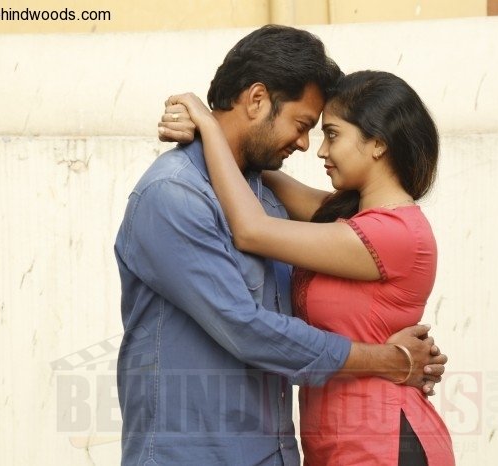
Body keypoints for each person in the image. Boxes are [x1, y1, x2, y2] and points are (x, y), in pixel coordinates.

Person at [116, 25, 447, 466]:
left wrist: (209, 130)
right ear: (256, 99)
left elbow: (262, 240)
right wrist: (386, 358)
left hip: (316, 448)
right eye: (304, 125)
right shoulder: (174, 195)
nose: (309, 146)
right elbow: (246, 327)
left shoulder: (271, 201)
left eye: (329, 134)